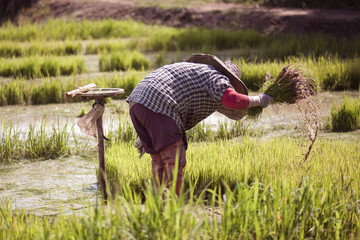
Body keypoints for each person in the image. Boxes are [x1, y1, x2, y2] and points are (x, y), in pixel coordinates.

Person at [126, 54, 273, 196]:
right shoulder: (217, 77)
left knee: (158, 161)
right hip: (160, 103)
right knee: (174, 160)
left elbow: (168, 105)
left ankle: (161, 204)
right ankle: (172, 206)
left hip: (136, 101)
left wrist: (147, 133)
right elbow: (231, 100)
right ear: (229, 78)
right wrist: (259, 100)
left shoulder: (197, 73)